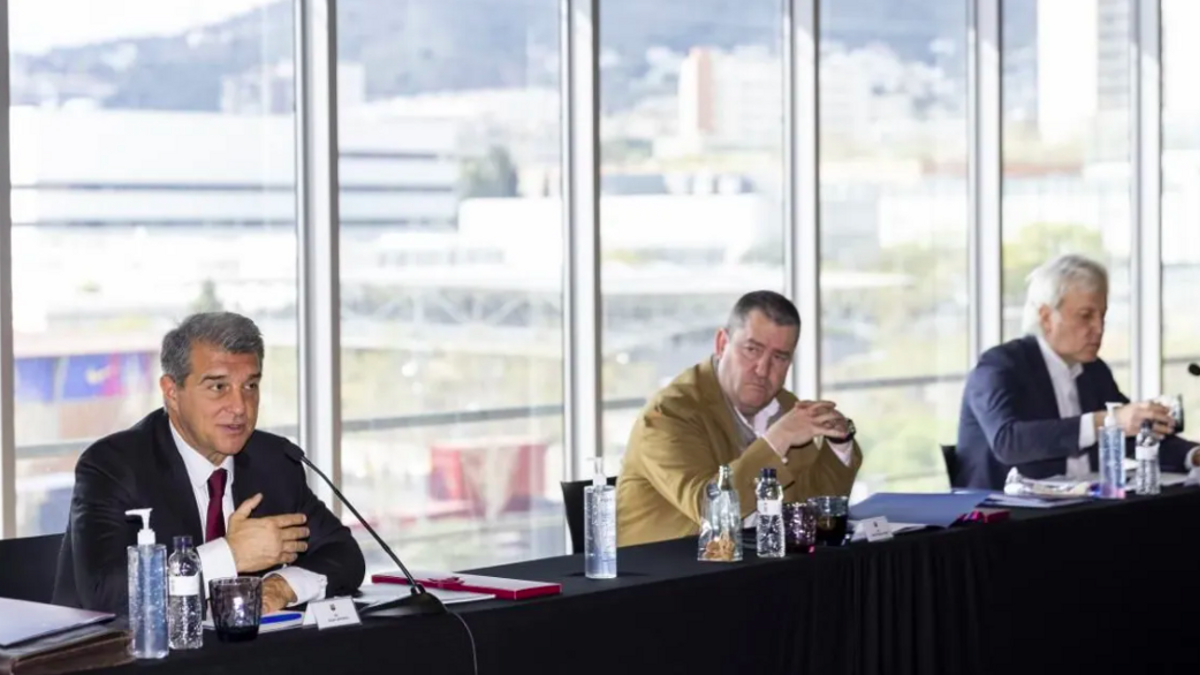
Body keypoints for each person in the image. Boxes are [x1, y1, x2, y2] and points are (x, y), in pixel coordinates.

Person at [53, 312, 365, 615]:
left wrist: (281, 586)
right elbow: (104, 594)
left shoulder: (274, 461)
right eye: (218, 387)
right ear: (172, 392)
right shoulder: (114, 466)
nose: (240, 407)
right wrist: (231, 555)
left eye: (250, 386)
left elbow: (344, 556)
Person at [617, 291, 862, 547]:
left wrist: (839, 443)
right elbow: (709, 510)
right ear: (722, 344)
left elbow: (811, 509)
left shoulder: (787, 407)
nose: (762, 369)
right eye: (752, 349)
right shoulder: (668, 413)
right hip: (669, 576)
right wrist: (779, 438)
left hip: (758, 569)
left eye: (779, 357)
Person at [957, 254, 1199, 489]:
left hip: (1085, 510)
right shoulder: (1000, 365)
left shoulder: (1094, 370)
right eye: (1086, 316)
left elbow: (1132, 435)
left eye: (1102, 316)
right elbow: (1008, 442)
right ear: (1046, 317)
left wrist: (1193, 455)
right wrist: (1108, 420)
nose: (1098, 328)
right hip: (1006, 519)